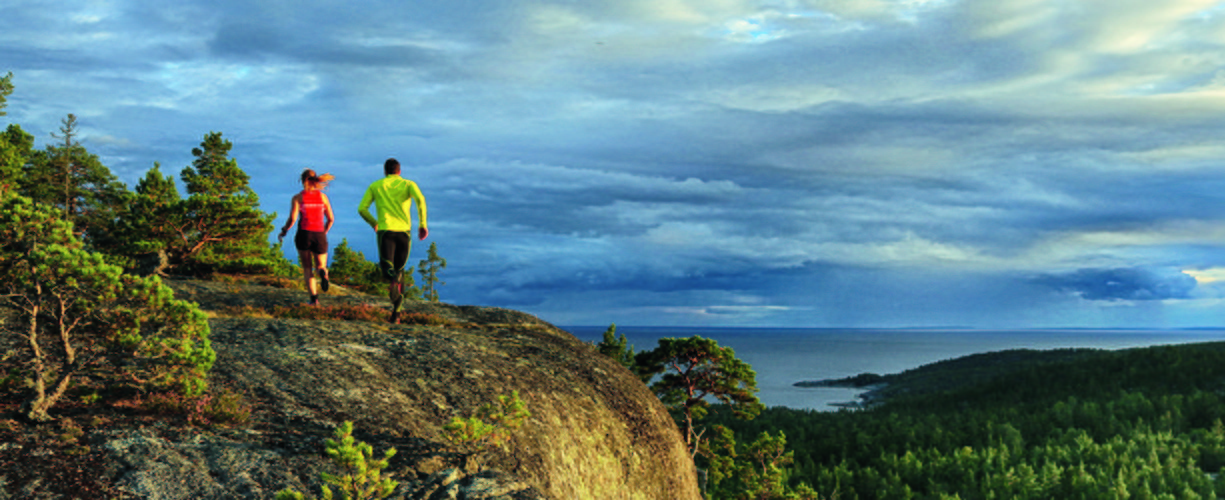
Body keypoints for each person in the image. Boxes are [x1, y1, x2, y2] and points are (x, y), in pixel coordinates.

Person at [358, 158, 428, 324]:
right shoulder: (409, 184)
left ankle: (393, 280)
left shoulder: (376, 185)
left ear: (385, 171)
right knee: (400, 270)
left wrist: (374, 223)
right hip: (404, 232)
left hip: (385, 231)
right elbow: (420, 200)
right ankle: (396, 314)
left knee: (387, 268)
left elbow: (362, 208)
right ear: (399, 171)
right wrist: (423, 224)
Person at [278, 169, 336, 306]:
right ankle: (322, 273)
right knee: (321, 265)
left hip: (304, 234)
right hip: (319, 234)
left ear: (302, 181)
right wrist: (324, 232)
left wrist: (284, 231)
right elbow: (331, 219)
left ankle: (314, 300)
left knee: (307, 269)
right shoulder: (323, 197)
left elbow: (292, 219)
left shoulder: (298, 198)